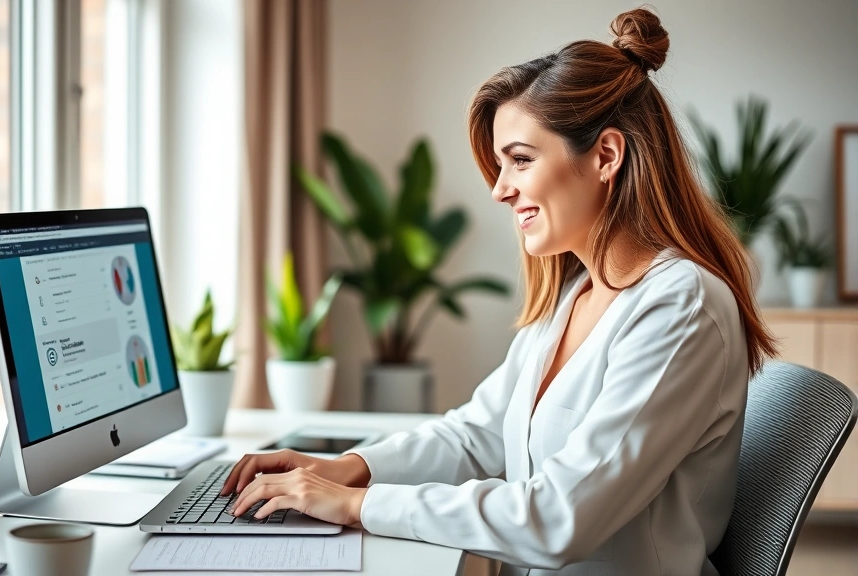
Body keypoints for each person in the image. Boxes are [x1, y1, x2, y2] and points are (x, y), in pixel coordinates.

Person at [220, 7, 776, 575]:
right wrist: (349, 469)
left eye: (520, 161)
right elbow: (476, 434)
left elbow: (560, 517)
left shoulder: (680, 306)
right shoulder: (578, 293)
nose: (500, 190)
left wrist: (360, 506)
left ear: (606, 156)